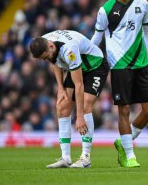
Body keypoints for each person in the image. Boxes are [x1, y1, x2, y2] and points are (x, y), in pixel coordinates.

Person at [91, 0, 148, 168]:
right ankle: (130, 155)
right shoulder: (105, 10)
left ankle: (123, 141)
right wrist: (85, 54)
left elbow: (147, 31)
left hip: (142, 63)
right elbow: (97, 37)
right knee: (125, 110)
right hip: (119, 64)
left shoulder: (142, 4)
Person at [29, 30, 109, 168]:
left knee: (85, 107)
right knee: (62, 107)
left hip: (95, 66)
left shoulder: (68, 50)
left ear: (51, 46)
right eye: (43, 59)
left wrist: (79, 117)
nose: (46, 59)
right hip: (76, 67)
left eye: (46, 56)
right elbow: (55, 61)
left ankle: (85, 157)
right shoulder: (44, 42)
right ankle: (65, 158)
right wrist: (60, 88)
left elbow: (79, 85)